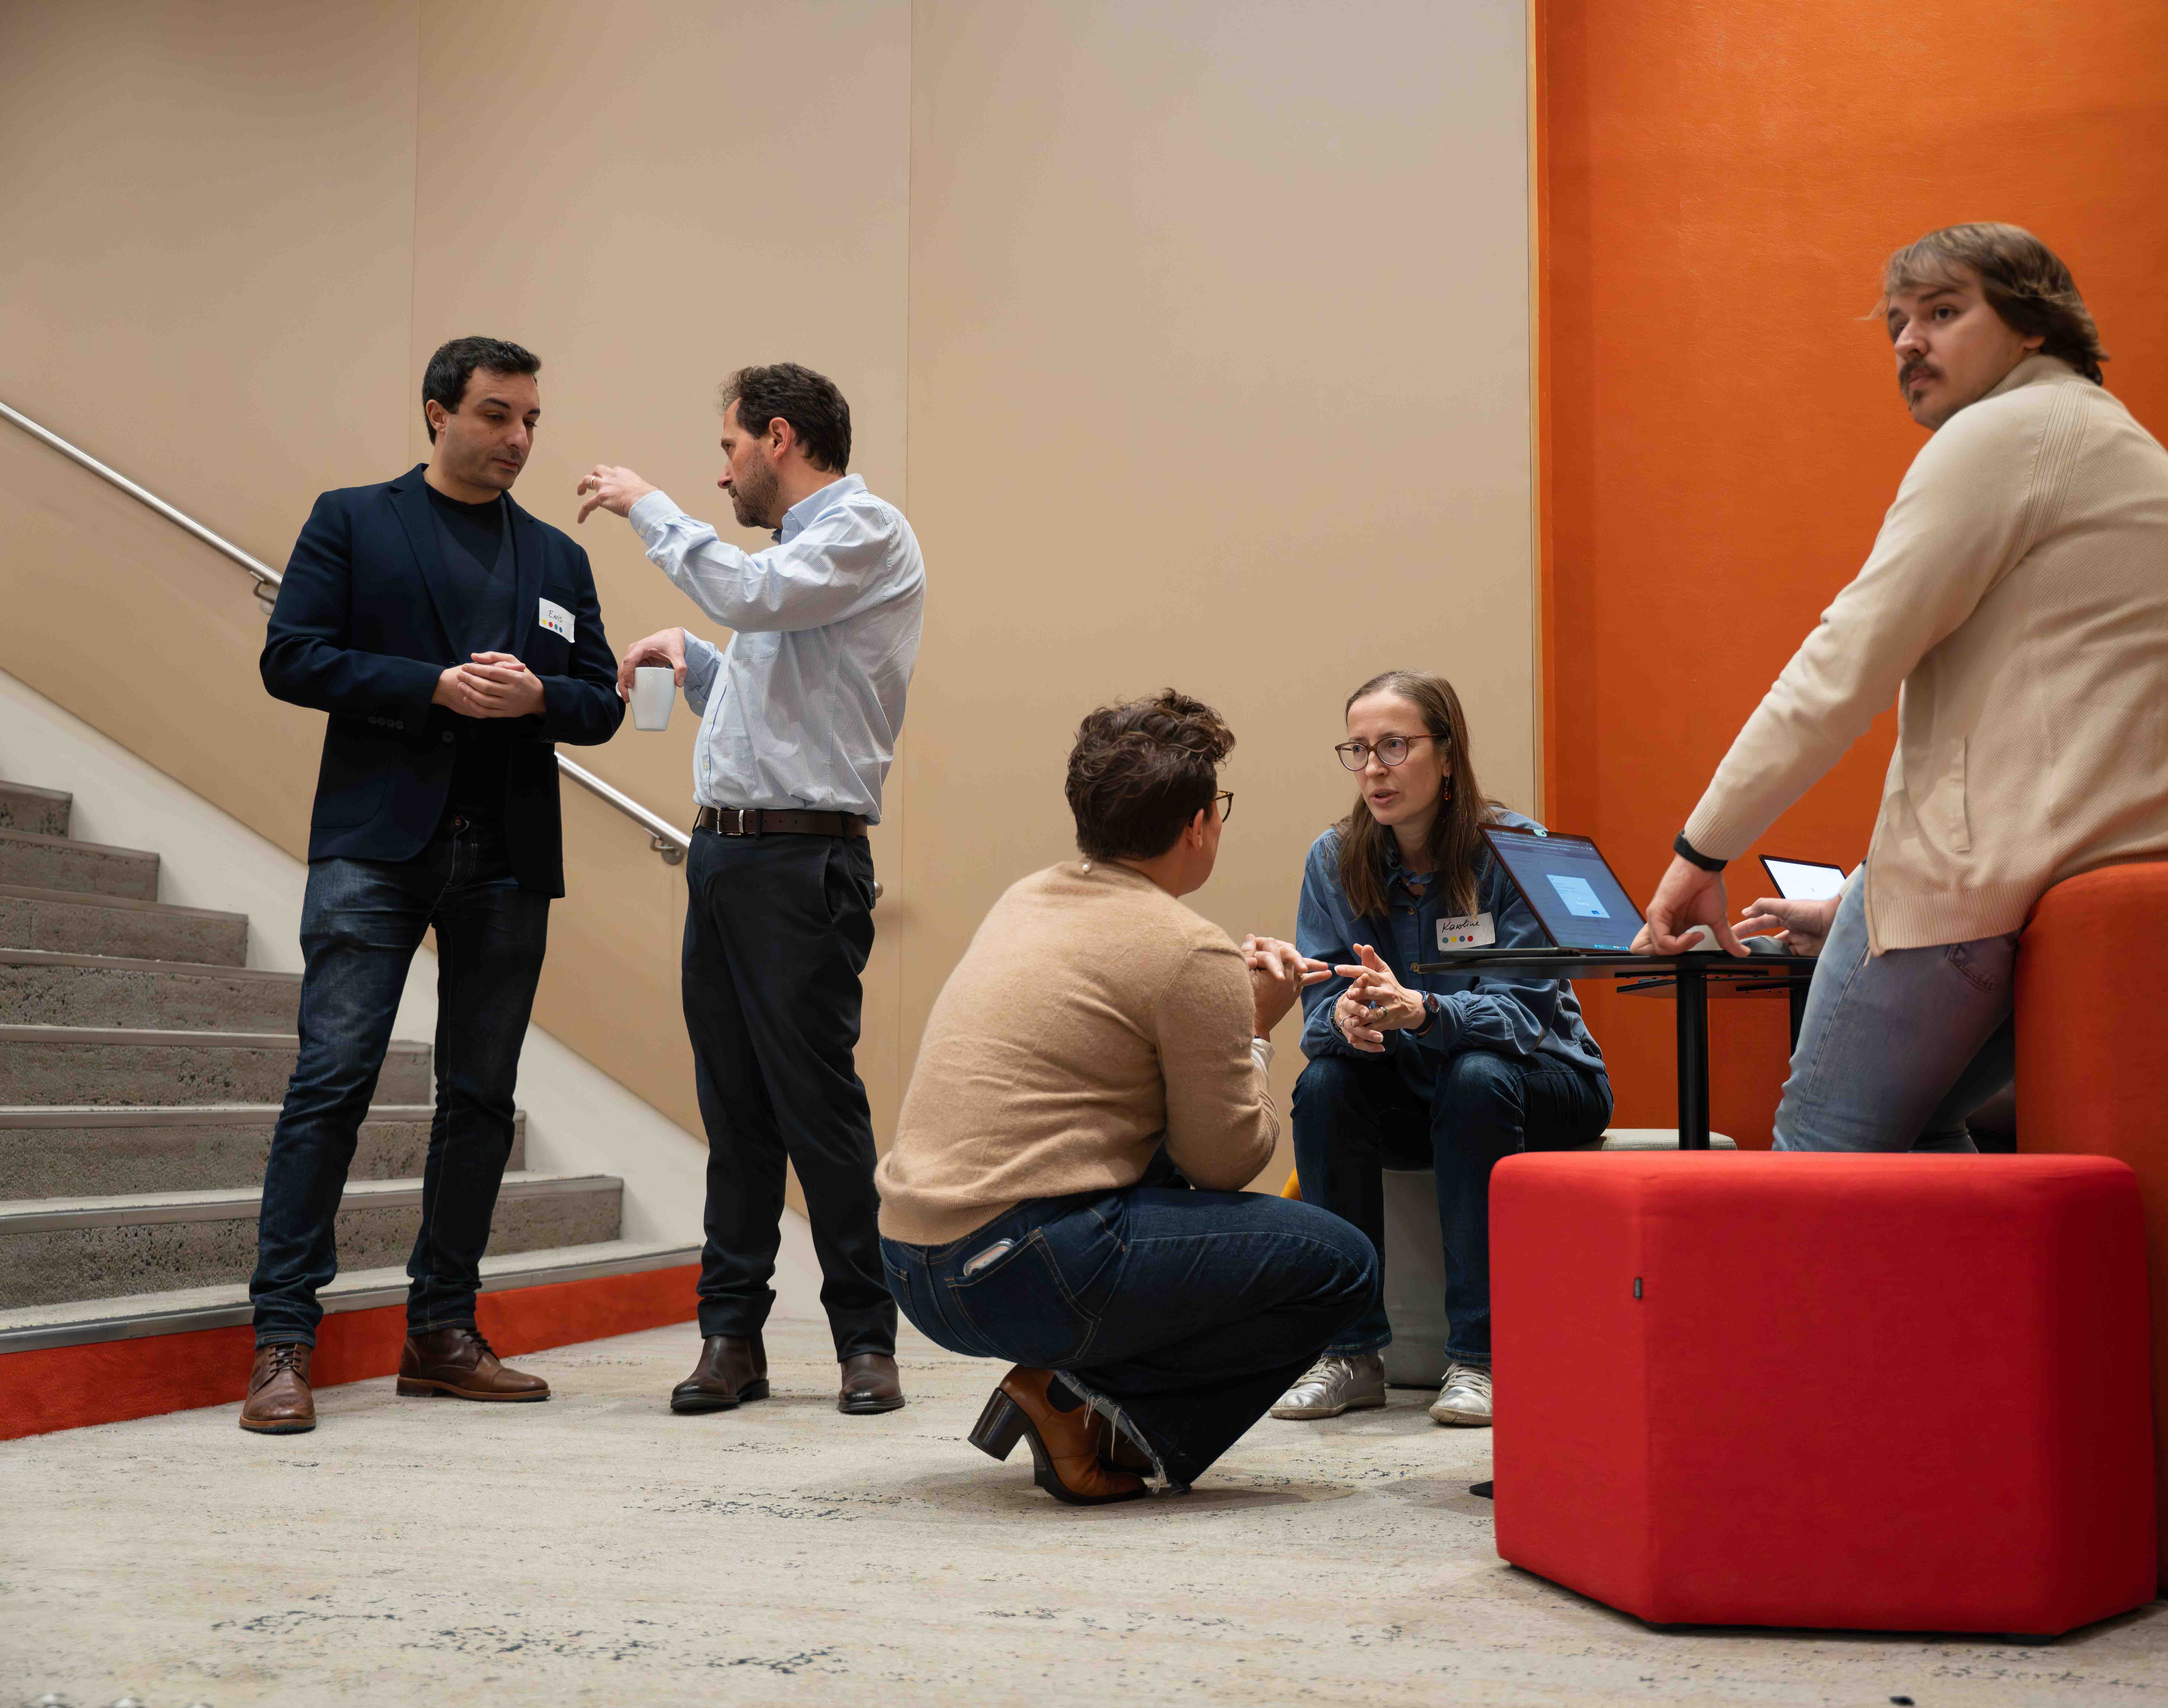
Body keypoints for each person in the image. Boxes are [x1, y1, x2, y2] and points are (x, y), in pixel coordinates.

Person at [1635, 222, 2168, 1153]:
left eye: (1942, 313)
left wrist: (1700, 852)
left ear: (2033, 325)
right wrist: (1852, 900)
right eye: (1896, 323)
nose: (1908, 343)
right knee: (1918, 1145)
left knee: (1822, 1152)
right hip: (2105, 884)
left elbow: (1843, 665)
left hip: (1989, 896)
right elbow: (2059, 739)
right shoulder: (2104, 439)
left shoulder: (2004, 432)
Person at [242, 336, 624, 1435]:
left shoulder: (556, 555)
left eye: (531, 420)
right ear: (436, 412)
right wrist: (433, 687)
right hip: (374, 847)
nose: (519, 438)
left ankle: (442, 1333)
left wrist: (538, 697)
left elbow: (599, 701)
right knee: (333, 1083)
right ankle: (283, 1341)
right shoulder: (353, 520)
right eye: (497, 414)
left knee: (481, 1101)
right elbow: (291, 656)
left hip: (506, 855)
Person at [877, 690, 1375, 1504]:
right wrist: (1254, 1028)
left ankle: (1072, 1398)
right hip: (1014, 1272)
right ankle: (1072, 1402)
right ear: (1198, 826)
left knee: (1155, 1169)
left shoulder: (1028, 896)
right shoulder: (1189, 951)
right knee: (1341, 1265)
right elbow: (1225, 1165)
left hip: (912, 1265)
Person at [576, 364, 924, 1418]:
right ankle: (731, 1338)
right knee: (734, 1110)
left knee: (817, 1107)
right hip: (726, 857)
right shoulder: (797, 565)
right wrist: (695, 661)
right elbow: (781, 704)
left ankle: (866, 1339)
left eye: (729, 447)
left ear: (779, 437)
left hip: (802, 863)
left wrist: (647, 507)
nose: (722, 473)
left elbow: (751, 595)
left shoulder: (864, 530)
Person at [1274, 670, 1612, 1430]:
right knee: (1325, 1084)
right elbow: (1317, 1009)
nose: (1374, 769)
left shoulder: (1514, 850)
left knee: (1476, 1075)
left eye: (1394, 746)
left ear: (1449, 754)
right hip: (1415, 1085)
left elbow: (1522, 1014)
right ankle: (1348, 1354)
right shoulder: (1334, 858)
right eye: (1358, 750)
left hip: (1542, 1079)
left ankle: (1482, 1359)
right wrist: (1349, 1020)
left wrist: (1425, 1011)